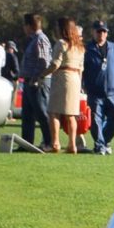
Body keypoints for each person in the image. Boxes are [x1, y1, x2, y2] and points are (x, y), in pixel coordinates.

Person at [83, 21, 114, 155]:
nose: (101, 34)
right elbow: (83, 70)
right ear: (93, 32)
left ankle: (104, 141)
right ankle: (99, 146)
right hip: (95, 91)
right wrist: (83, 85)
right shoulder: (87, 49)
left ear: (107, 33)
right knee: (95, 120)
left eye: (104, 31)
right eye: (99, 31)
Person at [42, 17, 86, 154]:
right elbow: (81, 68)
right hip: (75, 79)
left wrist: (43, 74)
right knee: (71, 114)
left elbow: (55, 63)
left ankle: (55, 143)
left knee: (54, 112)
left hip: (62, 77)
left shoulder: (61, 43)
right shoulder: (80, 47)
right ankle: (72, 145)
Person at [18, 13, 52, 148]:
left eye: (25, 25)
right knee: (27, 115)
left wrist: (37, 78)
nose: (23, 28)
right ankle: (26, 143)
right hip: (28, 81)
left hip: (37, 82)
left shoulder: (40, 39)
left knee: (42, 113)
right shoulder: (33, 39)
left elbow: (44, 61)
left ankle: (49, 142)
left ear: (29, 26)